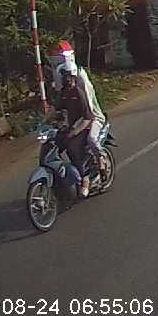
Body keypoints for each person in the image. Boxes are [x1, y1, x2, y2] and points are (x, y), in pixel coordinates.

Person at [50, 41, 107, 198]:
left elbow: (87, 111)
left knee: (86, 142)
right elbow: (58, 107)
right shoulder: (63, 86)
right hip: (74, 122)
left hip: (91, 118)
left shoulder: (80, 83)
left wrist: (75, 128)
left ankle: (96, 166)